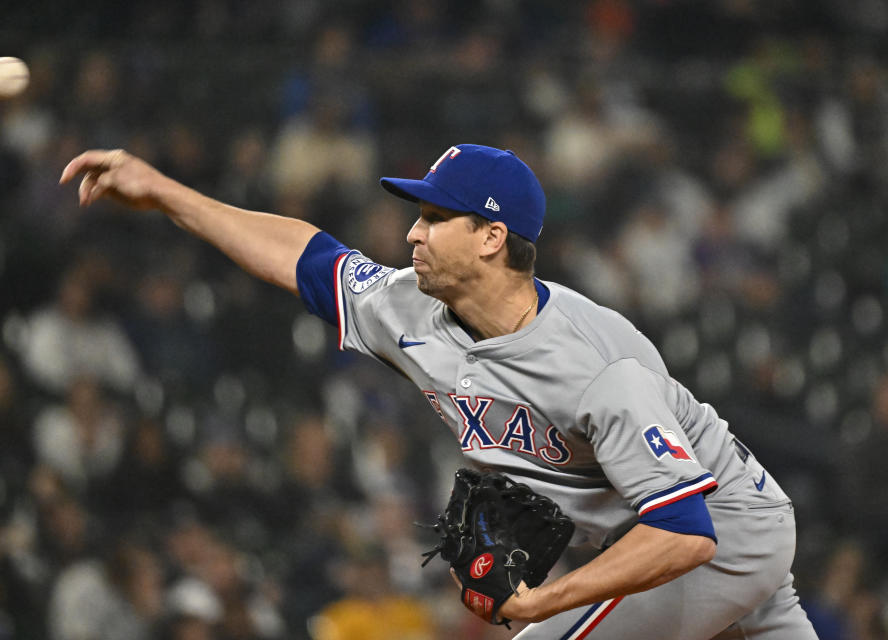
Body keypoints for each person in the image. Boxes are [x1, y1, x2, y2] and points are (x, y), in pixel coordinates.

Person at [59, 144, 819, 639]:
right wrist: (163, 191)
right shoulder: (410, 309)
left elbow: (687, 532)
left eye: (433, 216)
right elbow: (304, 254)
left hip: (721, 533)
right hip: (663, 539)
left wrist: (543, 602)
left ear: (492, 237)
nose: (413, 233)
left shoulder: (598, 365)